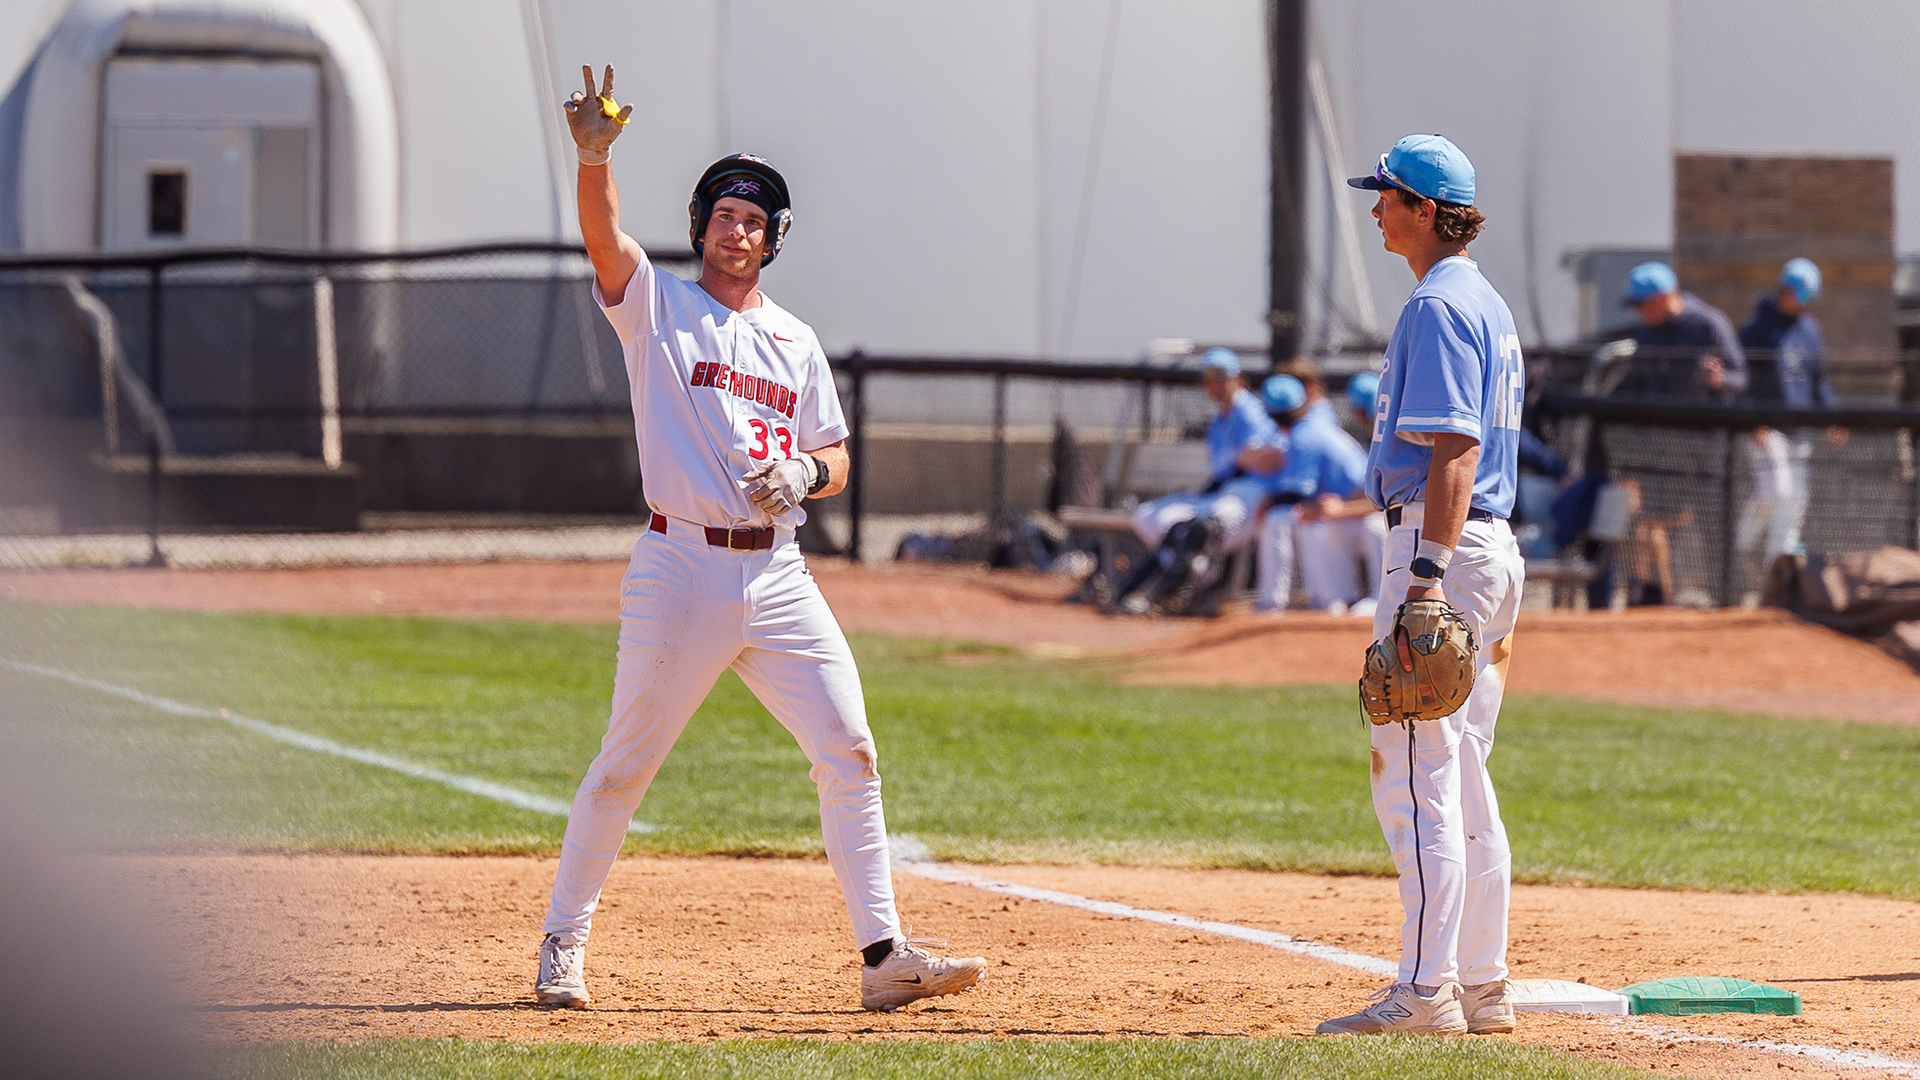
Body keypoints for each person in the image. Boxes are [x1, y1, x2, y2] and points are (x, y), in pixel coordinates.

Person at [536, 65, 985, 1014]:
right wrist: (593, 156)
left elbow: (838, 454)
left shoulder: (796, 339)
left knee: (850, 749)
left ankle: (882, 957)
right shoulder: (658, 308)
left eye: (756, 219)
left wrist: (808, 475)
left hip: (778, 573)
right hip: (679, 567)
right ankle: (561, 946)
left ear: (774, 240)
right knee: (625, 765)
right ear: (700, 224)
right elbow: (602, 238)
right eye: (725, 214)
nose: (738, 231)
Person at [1316, 133, 1525, 1037]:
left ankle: (1423, 993)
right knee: (1460, 771)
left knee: (1413, 774)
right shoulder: (1485, 302)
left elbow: (1455, 449)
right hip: (1489, 548)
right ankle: (1482, 984)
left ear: (1431, 211)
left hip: (1441, 546)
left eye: (1390, 197)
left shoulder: (1439, 306)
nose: (1376, 210)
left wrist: (1427, 579)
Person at [1112, 348, 1284, 614]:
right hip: (1225, 490)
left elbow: (1268, 459)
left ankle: (1165, 589)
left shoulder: (1250, 411)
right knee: (1152, 518)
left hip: (1252, 492)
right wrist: (1243, 459)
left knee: (1206, 523)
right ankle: (1195, 576)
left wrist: (1247, 458)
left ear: (1238, 378)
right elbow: (1231, 466)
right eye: (1210, 376)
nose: (1216, 383)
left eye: (1222, 376)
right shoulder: (1218, 419)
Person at [1736, 258, 1845, 600]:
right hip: (1766, 428)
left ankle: (1776, 581)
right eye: (1802, 295)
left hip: (1800, 430)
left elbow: (1817, 380)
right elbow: (1740, 379)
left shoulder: (1809, 330)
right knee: (1777, 491)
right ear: (1785, 290)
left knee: (1794, 504)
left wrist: (1832, 416)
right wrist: (1751, 417)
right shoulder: (1756, 329)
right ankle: (1738, 543)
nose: (1806, 303)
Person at [1255, 374, 1384, 615]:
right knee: (1311, 522)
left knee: (1290, 520)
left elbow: (1297, 494)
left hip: (1369, 512)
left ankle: (1275, 604)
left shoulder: (1306, 434)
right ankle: (1338, 598)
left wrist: (1341, 509)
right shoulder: (1311, 427)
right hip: (1355, 508)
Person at [1618, 261, 1748, 400]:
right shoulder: (1647, 332)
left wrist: (1719, 379)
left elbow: (1741, 379)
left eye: (1641, 305)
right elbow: (1634, 385)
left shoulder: (1708, 325)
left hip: (1700, 419)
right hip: (1657, 419)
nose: (1638, 311)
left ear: (1660, 299)